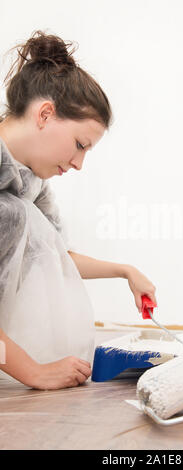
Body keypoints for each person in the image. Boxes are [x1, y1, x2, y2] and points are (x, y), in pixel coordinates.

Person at [0, 30, 157, 390]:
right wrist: (33, 371)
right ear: (45, 114)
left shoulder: (31, 181)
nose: (79, 163)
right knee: (13, 214)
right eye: (79, 145)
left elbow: (56, 253)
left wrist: (125, 271)